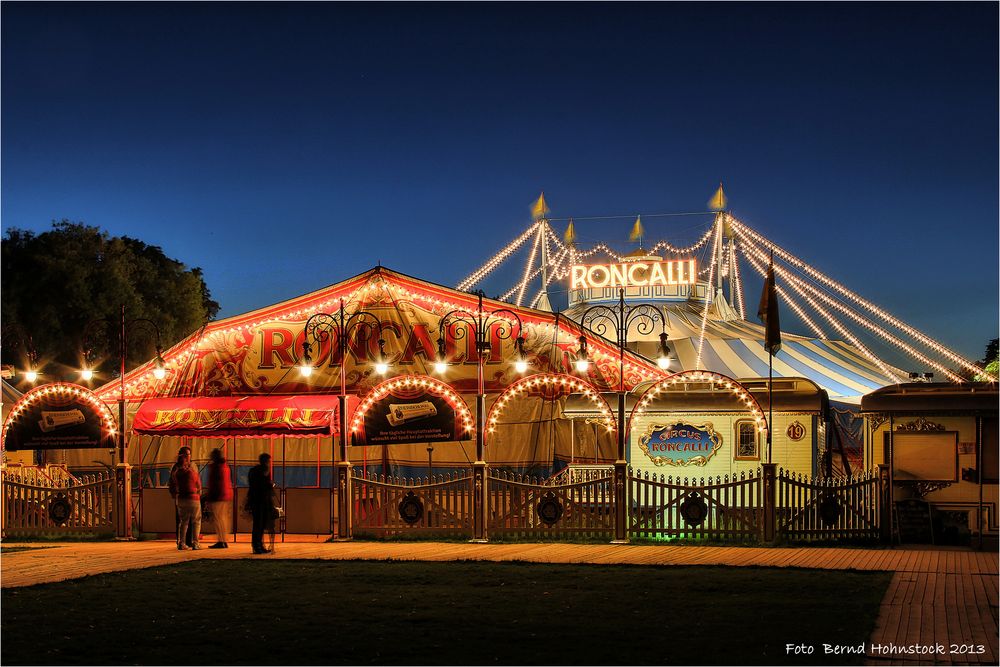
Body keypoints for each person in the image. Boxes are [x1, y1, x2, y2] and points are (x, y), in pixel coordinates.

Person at [172, 448, 203, 550]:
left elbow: (173, 483)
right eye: (188, 455)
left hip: (181, 498)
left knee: (183, 521)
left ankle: (181, 543)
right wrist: (199, 491)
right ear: (185, 457)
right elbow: (198, 483)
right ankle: (195, 542)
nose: (189, 457)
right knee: (196, 521)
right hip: (193, 498)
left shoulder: (176, 471)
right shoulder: (191, 471)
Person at [246, 452, 276, 554]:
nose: (270, 463)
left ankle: (258, 545)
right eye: (269, 461)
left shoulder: (255, 471)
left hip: (257, 501)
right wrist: (270, 485)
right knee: (259, 524)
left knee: (259, 524)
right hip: (260, 501)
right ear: (265, 462)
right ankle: (257, 546)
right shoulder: (262, 472)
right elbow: (262, 487)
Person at [205, 448, 233, 549]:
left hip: (217, 496)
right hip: (226, 495)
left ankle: (221, 540)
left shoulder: (216, 467)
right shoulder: (225, 466)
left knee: (218, 519)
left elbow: (214, 483)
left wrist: (210, 496)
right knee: (223, 519)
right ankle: (224, 540)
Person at [168, 446, 195, 548]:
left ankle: (189, 540)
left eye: (188, 455)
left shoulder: (191, 466)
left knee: (190, 519)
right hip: (181, 496)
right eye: (186, 455)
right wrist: (174, 493)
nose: (188, 457)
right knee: (181, 519)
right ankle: (180, 540)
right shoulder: (177, 468)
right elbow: (173, 482)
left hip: (190, 496)